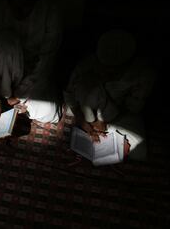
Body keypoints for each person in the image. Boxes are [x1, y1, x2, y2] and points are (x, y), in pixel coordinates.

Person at [63, 29, 156, 160]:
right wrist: (82, 119)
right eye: (103, 67)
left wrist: (104, 124)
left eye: (113, 70)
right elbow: (70, 95)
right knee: (81, 136)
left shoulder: (142, 75)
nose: (107, 73)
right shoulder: (87, 65)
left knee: (138, 151)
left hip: (119, 114)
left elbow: (133, 108)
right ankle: (98, 138)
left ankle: (107, 140)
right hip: (87, 109)